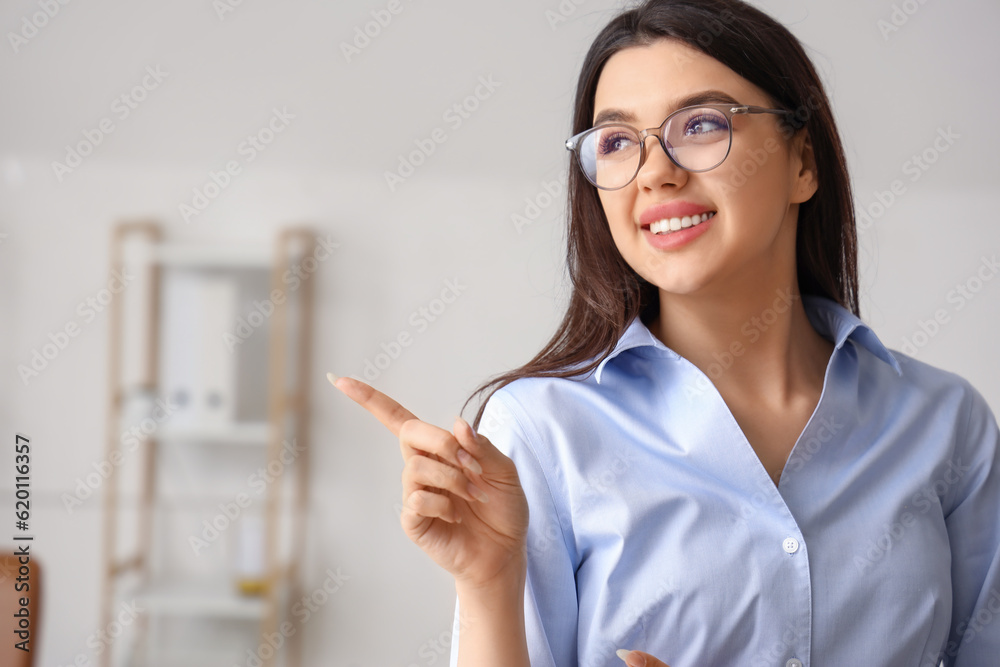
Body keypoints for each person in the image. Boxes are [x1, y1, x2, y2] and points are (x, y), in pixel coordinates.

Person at [330, 0, 1000, 665]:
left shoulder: (945, 423)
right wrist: (486, 584)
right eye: (616, 142)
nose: (655, 172)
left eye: (702, 124)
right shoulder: (542, 431)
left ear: (803, 161)